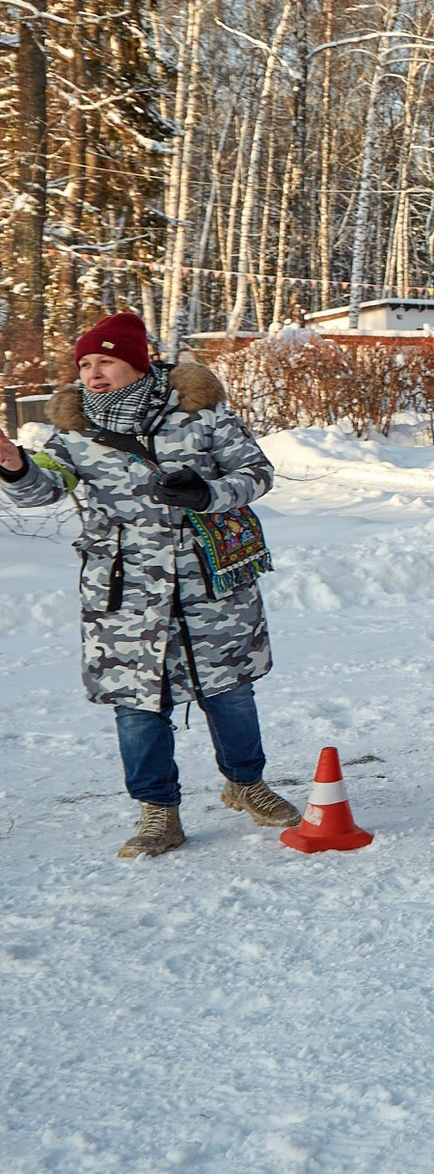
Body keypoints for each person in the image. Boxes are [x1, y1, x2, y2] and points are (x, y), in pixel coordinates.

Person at [0, 313, 296, 858]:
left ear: (137, 363)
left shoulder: (200, 416)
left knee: (230, 690)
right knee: (137, 704)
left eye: (105, 361)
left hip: (210, 581)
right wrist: (15, 466)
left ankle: (245, 783)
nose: (93, 373)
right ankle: (158, 812)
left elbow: (256, 473)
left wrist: (206, 493)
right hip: (125, 588)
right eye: (85, 364)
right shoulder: (72, 433)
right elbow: (45, 489)